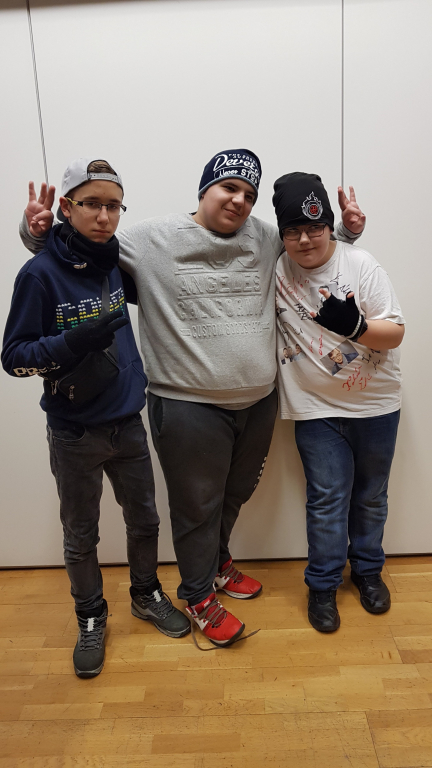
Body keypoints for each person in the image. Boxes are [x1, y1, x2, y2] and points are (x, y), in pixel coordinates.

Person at [19, 150, 365, 647]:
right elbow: (80, 253)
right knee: (197, 507)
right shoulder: (150, 239)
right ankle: (198, 595)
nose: (239, 200)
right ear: (205, 190)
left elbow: (310, 251)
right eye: (229, 188)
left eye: (249, 194)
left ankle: (218, 565)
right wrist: (36, 235)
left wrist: (347, 232)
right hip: (187, 404)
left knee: (234, 494)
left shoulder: (266, 237)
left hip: (258, 401)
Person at [2, 158, 190, 678]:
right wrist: (72, 341)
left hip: (128, 422)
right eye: (91, 204)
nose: (104, 217)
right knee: (80, 534)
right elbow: (13, 358)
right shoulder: (38, 275)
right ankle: (90, 615)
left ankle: (146, 594)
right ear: (67, 207)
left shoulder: (111, 261)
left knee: (145, 521)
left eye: (113, 205)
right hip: (74, 431)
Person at [273, 172, 404, 633]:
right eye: (293, 230)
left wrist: (356, 327)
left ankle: (367, 571)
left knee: (371, 496)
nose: (305, 239)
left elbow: (395, 333)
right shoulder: (277, 268)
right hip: (315, 410)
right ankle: (323, 584)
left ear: (329, 226)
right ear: (281, 233)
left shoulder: (361, 264)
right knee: (327, 500)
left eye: (316, 227)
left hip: (376, 406)